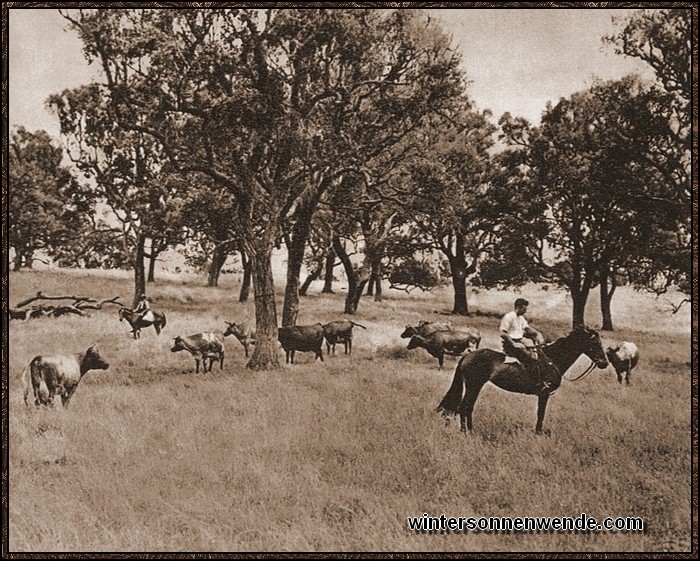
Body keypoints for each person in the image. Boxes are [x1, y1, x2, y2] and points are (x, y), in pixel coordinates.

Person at [500, 298, 544, 363]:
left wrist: (538, 334)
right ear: (518, 307)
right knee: (528, 356)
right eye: (524, 309)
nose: (525, 311)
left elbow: (527, 328)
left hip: (520, 341)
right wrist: (513, 343)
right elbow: (502, 333)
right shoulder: (509, 317)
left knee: (536, 353)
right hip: (510, 343)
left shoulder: (521, 318)